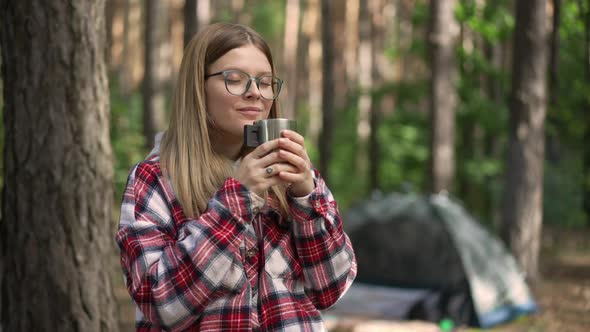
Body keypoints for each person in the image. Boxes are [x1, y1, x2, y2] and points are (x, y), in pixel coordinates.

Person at [116, 23, 357, 331]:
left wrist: (307, 197)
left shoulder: (288, 176)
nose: (255, 92)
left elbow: (331, 289)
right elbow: (161, 303)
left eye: (266, 82)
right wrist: (237, 202)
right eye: (235, 79)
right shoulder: (156, 178)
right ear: (198, 88)